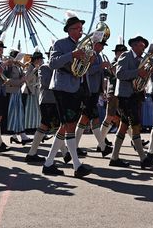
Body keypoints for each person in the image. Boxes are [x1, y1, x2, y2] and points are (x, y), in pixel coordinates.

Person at [42, 13, 92, 178]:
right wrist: (72, 55)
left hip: (75, 87)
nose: (80, 31)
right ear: (69, 30)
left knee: (65, 126)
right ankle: (77, 166)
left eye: (81, 28)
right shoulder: (61, 43)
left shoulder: (81, 46)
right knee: (69, 125)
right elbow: (53, 63)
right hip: (62, 88)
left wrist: (88, 60)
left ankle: (49, 163)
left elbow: (82, 68)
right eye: (77, 28)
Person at [109, 35, 153, 170]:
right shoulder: (126, 55)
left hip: (135, 96)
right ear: (134, 46)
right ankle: (143, 159)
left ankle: (114, 157)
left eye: (144, 47)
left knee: (124, 126)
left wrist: (148, 72)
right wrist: (138, 72)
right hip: (126, 96)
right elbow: (119, 74)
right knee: (135, 125)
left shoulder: (141, 59)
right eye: (141, 46)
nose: (143, 49)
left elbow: (143, 77)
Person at [75, 35, 109, 157]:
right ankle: (102, 147)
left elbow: (99, 72)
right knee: (88, 119)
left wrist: (106, 69)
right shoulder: (90, 54)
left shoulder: (98, 56)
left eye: (102, 45)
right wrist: (101, 66)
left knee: (90, 119)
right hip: (89, 91)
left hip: (94, 91)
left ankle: (102, 147)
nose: (101, 47)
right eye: (100, 45)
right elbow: (88, 71)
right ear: (94, 44)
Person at [24, 51, 57, 164]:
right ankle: (65, 153)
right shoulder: (42, 67)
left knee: (54, 126)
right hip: (44, 98)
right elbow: (31, 80)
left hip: (49, 99)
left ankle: (32, 153)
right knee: (50, 125)